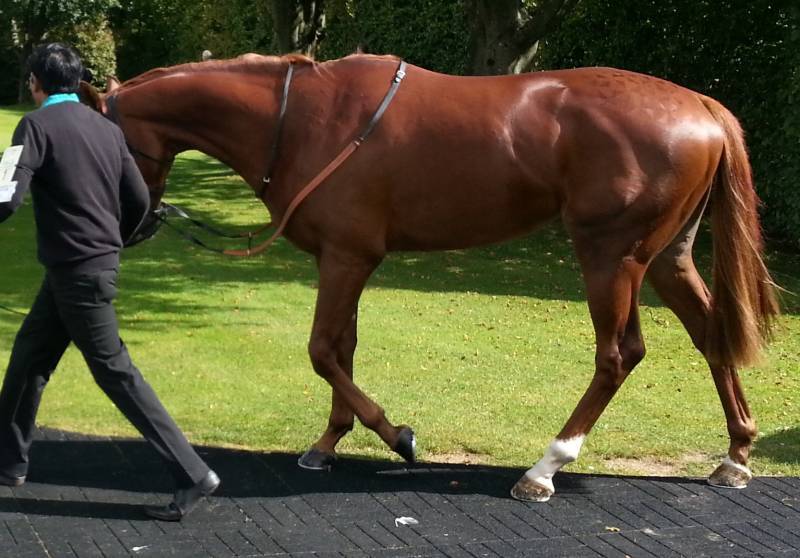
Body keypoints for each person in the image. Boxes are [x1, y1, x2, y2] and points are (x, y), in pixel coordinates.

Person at [0, 43, 219, 521]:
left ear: (36, 83)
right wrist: (110, 240)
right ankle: (9, 460)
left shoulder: (34, 126)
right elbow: (139, 198)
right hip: (84, 269)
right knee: (29, 358)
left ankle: (193, 473)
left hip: (76, 274)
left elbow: (6, 198)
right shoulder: (106, 128)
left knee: (116, 373)